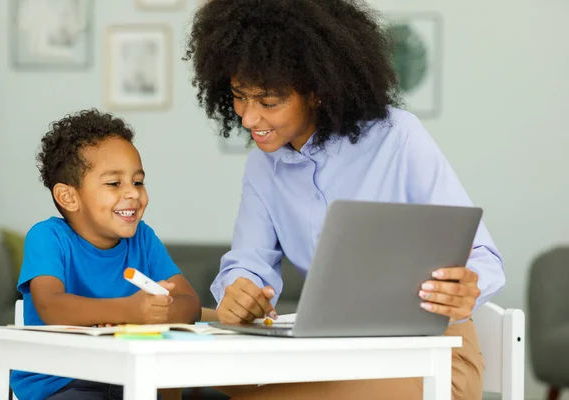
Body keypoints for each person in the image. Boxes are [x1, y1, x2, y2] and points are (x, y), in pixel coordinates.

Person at [185, 0, 505, 399]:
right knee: (194, 376)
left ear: (316, 92)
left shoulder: (399, 138)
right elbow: (250, 262)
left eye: (268, 102)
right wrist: (240, 291)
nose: (249, 118)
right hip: (328, 355)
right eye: (238, 96)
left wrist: (466, 288)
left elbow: (483, 256)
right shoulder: (261, 168)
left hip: (430, 358)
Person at [10, 109, 199, 400]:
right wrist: (131, 311)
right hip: (62, 384)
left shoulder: (143, 239)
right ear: (68, 197)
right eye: (114, 183)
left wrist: (157, 313)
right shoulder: (48, 237)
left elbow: (191, 304)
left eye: (138, 182)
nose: (133, 193)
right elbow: (51, 306)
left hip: (129, 378)